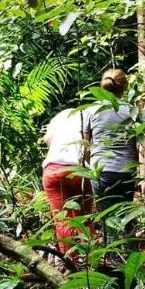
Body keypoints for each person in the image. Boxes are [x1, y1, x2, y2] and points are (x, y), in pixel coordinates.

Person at [83, 68, 139, 213]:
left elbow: (86, 146)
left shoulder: (91, 110)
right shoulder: (132, 110)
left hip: (101, 169)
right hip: (127, 171)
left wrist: (89, 168)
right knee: (125, 217)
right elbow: (138, 145)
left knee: (107, 218)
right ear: (125, 87)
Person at [41, 103, 91, 259]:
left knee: (62, 220)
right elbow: (89, 146)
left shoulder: (59, 116)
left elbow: (47, 140)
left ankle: (70, 263)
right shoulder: (88, 115)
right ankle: (90, 262)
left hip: (53, 170)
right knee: (84, 217)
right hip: (79, 171)